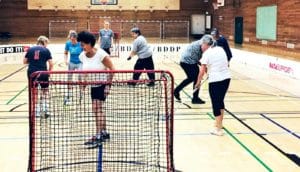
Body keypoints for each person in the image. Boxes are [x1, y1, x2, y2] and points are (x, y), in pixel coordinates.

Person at [77, 31, 115, 146]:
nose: (81, 46)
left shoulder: (101, 54)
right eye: (81, 44)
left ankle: (98, 135)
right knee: (98, 109)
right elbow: (85, 72)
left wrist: (108, 86)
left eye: (83, 44)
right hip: (93, 86)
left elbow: (112, 69)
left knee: (96, 108)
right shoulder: (82, 56)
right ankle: (103, 132)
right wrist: (83, 83)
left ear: (90, 43)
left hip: (102, 84)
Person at [195, 35, 231, 136]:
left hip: (215, 81)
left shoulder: (206, 54)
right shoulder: (220, 49)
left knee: (215, 103)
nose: (201, 46)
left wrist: (198, 83)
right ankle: (219, 123)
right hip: (226, 79)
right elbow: (225, 64)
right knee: (220, 101)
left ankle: (218, 130)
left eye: (202, 44)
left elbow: (201, 71)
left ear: (206, 44)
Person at [23, 36, 54, 118]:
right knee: (45, 91)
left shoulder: (30, 49)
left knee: (34, 92)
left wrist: (33, 61)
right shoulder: (46, 50)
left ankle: (36, 111)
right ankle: (45, 109)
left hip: (32, 73)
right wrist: (49, 72)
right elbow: (51, 64)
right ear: (44, 42)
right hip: (43, 73)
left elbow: (24, 61)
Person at [173, 39, 206, 104]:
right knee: (196, 79)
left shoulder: (199, 43)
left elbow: (199, 61)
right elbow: (201, 62)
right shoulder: (198, 48)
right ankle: (195, 98)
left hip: (186, 62)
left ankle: (177, 90)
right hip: (188, 62)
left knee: (191, 78)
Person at [64, 30, 83, 104]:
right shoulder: (68, 44)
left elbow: (85, 52)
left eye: (73, 39)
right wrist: (65, 60)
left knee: (80, 76)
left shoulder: (80, 44)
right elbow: (65, 52)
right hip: (71, 62)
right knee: (69, 78)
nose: (72, 41)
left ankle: (81, 92)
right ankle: (69, 93)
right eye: (71, 39)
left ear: (76, 39)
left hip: (79, 63)